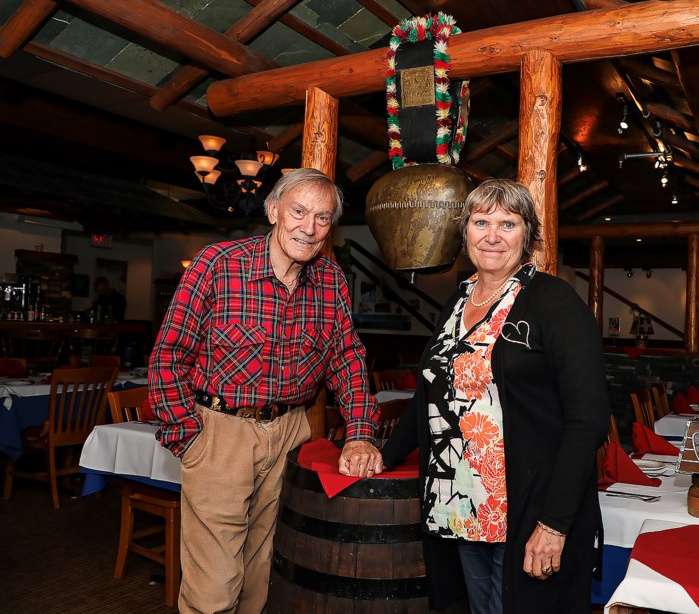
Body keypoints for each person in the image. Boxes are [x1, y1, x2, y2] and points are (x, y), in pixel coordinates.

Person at [149, 168, 382, 614]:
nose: (308, 227)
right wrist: (188, 435)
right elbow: (168, 355)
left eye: (322, 217)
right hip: (220, 432)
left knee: (262, 570)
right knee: (215, 582)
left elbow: (347, 359)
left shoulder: (330, 280)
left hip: (292, 431)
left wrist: (360, 431)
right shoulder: (218, 264)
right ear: (273, 210)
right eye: (298, 211)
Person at [379, 178, 610, 613]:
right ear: (464, 231)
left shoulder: (553, 302)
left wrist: (554, 524)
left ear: (528, 236)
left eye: (508, 223)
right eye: (481, 222)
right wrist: (386, 455)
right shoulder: (458, 300)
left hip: (529, 510)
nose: (493, 235)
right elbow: (432, 392)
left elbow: (589, 419)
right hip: (464, 507)